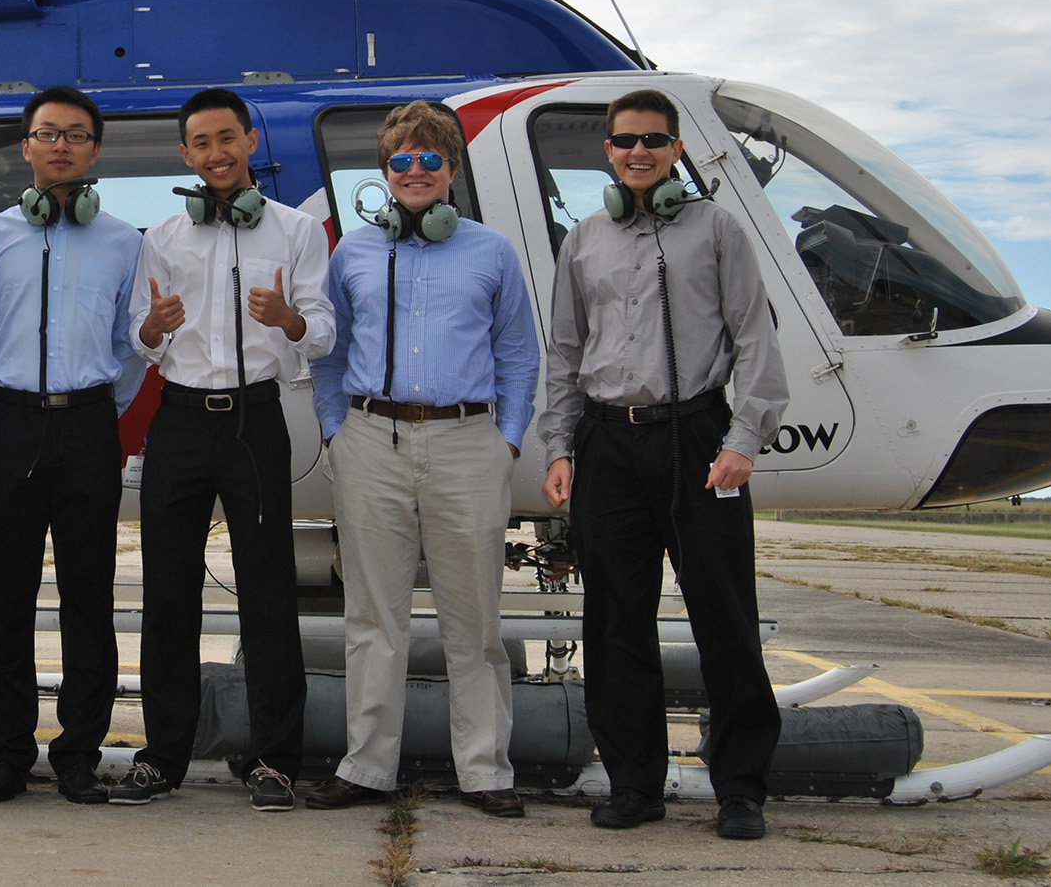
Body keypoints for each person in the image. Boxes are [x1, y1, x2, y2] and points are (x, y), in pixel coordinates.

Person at [536, 87, 789, 841]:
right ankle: (635, 782)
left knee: (723, 613)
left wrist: (744, 438)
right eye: (625, 141)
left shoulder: (719, 230)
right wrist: (559, 444)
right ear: (607, 152)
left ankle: (741, 787)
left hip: (697, 434)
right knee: (615, 620)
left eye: (653, 139)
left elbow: (755, 341)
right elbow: (564, 353)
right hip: (608, 441)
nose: (638, 151)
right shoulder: (583, 239)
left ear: (677, 150)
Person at [305, 101, 540, 816]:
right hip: (371, 439)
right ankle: (367, 765)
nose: (415, 171)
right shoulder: (354, 251)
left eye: (429, 159)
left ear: (451, 171)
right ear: (384, 170)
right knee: (374, 615)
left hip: (468, 441)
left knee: (476, 618)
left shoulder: (492, 251)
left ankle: (485, 768)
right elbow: (330, 350)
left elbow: (518, 354)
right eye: (401, 160)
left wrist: (506, 441)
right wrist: (336, 432)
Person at [110, 87, 335, 812]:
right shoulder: (164, 235)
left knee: (268, 592)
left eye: (227, 137)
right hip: (178, 421)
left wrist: (290, 319)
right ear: (186, 154)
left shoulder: (297, 231)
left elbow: (325, 332)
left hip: (255, 419)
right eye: (201, 142)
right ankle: (163, 755)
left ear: (248, 141)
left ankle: (274, 758)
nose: (216, 152)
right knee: (167, 593)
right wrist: (154, 330)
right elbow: (140, 342)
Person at [0, 87, 146, 805]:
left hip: (86, 426)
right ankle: (7, 752)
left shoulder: (126, 241)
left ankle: (78, 753)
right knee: (5, 597)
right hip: (10, 423)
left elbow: (129, 349)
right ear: (28, 147)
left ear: (95, 150)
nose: (63, 145)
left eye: (76, 134)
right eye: (48, 133)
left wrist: (95, 408)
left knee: (88, 597)